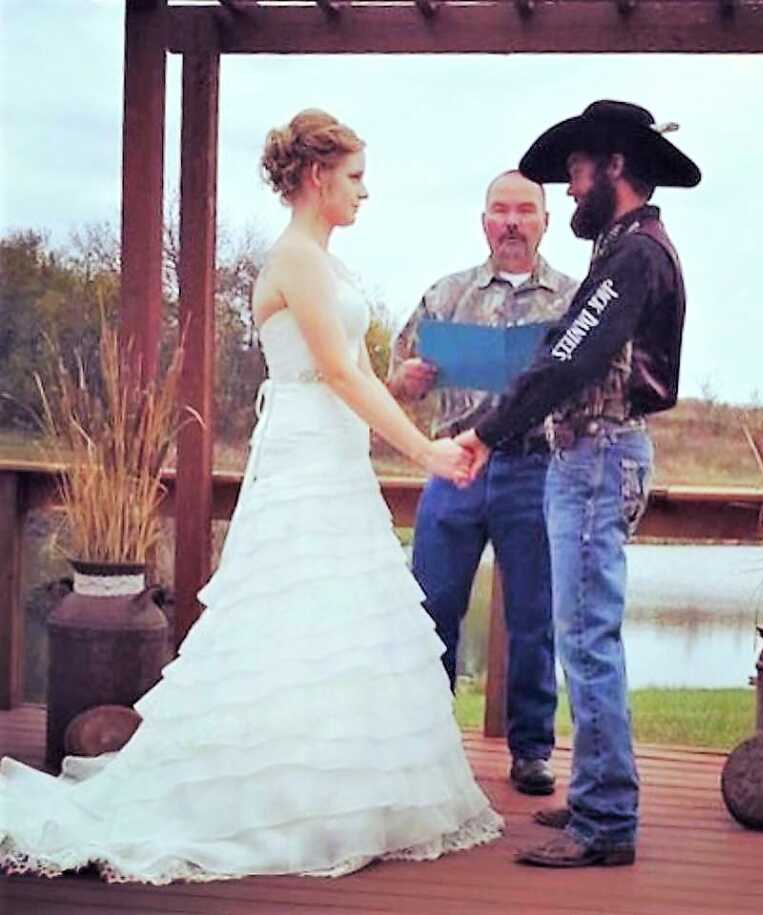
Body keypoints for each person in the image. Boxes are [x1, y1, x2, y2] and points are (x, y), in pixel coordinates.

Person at [0, 109, 503, 883]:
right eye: (357, 176)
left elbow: (358, 372)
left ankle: (336, 791)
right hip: (306, 452)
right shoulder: (296, 258)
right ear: (316, 177)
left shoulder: (326, 263)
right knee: (290, 609)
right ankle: (271, 795)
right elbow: (336, 373)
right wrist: (427, 451)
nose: (366, 191)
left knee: (340, 619)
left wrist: (404, 405)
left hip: (335, 453)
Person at [457, 100, 700, 867]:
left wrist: (484, 434)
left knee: (588, 642)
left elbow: (568, 358)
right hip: (588, 459)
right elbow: (568, 348)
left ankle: (606, 824)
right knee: (584, 637)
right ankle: (598, 793)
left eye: (576, 174)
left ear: (614, 166)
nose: (567, 192)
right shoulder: (626, 249)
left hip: (598, 460)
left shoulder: (635, 257)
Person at [389, 171, 577, 796]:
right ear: (484, 222)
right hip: (455, 467)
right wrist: (409, 380)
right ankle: (425, 742)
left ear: (546, 221)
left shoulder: (573, 300)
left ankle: (531, 751)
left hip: (537, 468)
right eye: (501, 211)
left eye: (526, 211)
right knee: (432, 606)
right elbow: (395, 378)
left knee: (533, 615)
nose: (513, 223)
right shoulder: (446, 295)